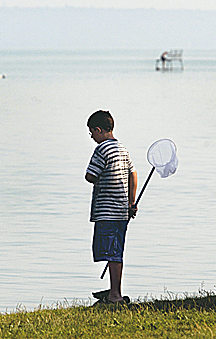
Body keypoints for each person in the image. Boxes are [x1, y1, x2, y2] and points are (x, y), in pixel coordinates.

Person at [85, 110, 138, 304]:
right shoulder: (122, 149)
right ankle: (113, 289)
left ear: (99, 130)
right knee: (114, 250)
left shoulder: (102, 150)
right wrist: (131, 202)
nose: (91, 136)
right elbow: (133, 174)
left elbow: (90, 175)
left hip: (107, 211)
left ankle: (115, 295)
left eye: (91, 132)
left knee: (112, 252)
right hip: (122, 210)